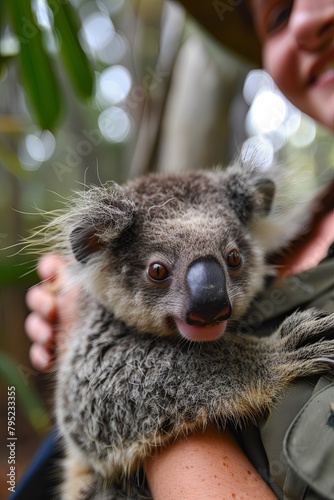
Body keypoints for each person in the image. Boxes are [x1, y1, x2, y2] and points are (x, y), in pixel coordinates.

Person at [24, 0, 334, 499]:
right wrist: (259, 366)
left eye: (231, 261)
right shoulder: (302, 233)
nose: (212, 293)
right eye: (277, 15)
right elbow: (95, 404)